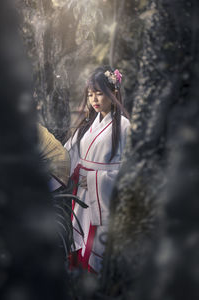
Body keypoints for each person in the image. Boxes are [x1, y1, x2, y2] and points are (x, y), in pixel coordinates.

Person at [64, 66, 130, 273]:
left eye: (99, 93)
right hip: (83, 196)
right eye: (91, 94)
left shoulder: (125, 127)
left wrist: (96, 180)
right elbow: (67, 154)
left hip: (103, 197)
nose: (94, 99)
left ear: (114, 93)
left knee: (98, 249)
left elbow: (129, 170)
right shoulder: (88, 124)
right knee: (80, 242)